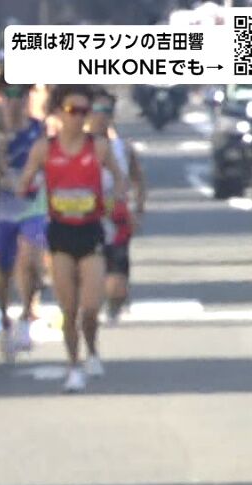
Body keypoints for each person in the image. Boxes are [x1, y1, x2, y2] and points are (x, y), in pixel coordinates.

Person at [16, 85, 130, 393]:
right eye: (72, 111)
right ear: (58, 113)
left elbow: (120, 179)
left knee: (90, 307)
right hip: (60, 232)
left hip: (91, 230)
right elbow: (24, 182)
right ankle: (74, 366)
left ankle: (91, 349)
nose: (78, 117)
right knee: (69, 309)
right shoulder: (44, 149)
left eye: (84, 111)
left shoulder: (99, 148)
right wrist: (27, 188)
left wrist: (116, 199)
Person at [0, 80, 49, 359]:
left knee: (31, 261)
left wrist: (34, 180)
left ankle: (27, 316)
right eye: (9, 94)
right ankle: (4, 318)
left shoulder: (38, 129)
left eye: (21, 94)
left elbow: (47, 161)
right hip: (1, 208)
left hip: (32, 206)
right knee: (3, 271)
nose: (15, 100)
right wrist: (2, 176)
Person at [86, 91, 145, 324]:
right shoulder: (72, 147)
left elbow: (139, 181)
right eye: (95, 111)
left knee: (117, 287)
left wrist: (137, 210)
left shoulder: (123, 148)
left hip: (115, 220)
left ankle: (113, 307)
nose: (100, 117)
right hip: (83, 219)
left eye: (106, 111)